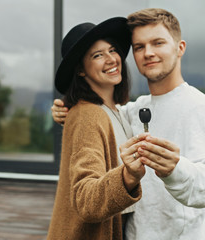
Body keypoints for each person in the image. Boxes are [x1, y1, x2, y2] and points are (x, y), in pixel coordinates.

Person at [52, 8, 205, 240]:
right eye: (139, 47)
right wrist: (68, 112)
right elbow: (99, 124)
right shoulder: (133, 110)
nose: (148, 53)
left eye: (158, 43)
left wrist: (175, 169)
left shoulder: (196, 105)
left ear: (179, 48)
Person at [47, 17, 148, 240]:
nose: (111, 59)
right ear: (81, 71)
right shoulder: (88, 115)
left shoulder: (116, 111)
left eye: (112, 50)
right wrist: (128, 177)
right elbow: (86, 199)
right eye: (97, 55)